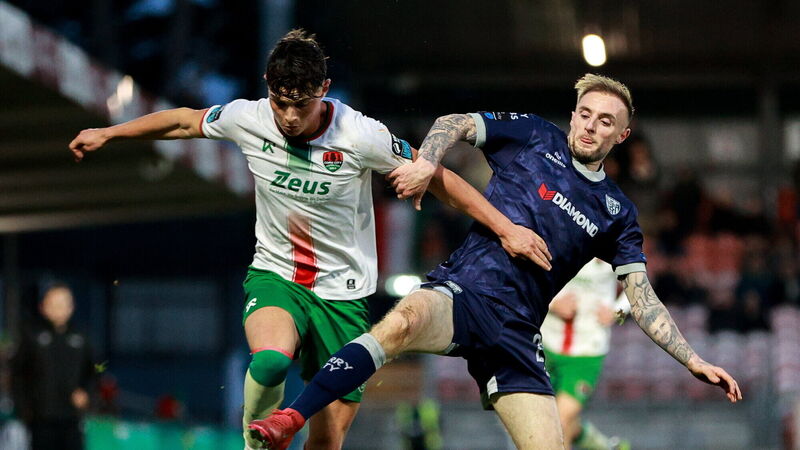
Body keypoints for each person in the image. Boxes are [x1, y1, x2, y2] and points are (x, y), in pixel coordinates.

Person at [68, 30, 549, 450]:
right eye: (280, 102)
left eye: (301, 104)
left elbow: (438, 176)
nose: (290, 116)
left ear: (325, 90)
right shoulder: (247, 117)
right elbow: (182, 120)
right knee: (272, 361)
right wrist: (109, 133)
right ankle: (253, 442)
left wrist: (507, 228)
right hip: (277, 275)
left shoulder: (362, 136)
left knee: (327, 439)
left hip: (345, 295)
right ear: (268, 90)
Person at [249, 74, 742, 450]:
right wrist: (427, 161)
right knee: (401, 322)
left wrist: (693, 360)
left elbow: (642, 297)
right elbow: (456, 124)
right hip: (465, 293)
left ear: (622, 134)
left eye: (605, 121)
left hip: (518, 333)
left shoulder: (617, 212)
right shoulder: (534, 136)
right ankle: (289, 418)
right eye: (585, 113)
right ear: (573, 115)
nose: (591, 125)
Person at [540, 258, 630, 449]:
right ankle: (604, 447)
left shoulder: (618, 242)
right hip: (547, 343)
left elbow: (638, 288)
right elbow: (530, 275)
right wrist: (552, 304)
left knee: (558, 423)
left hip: (587, 352)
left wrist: (617, 312)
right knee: (551, 419)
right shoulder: (560, 235)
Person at [10, 283, 96, 450]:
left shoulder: (81, 337)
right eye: (54, 304)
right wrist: (23, 408)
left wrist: (87, 393)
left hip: (72, 418)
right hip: (41, 418)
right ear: (43, 307)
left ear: (71, 307)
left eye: (64, 304)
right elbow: (17, 373)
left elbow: (98, 368)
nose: (59, 309)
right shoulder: (31, 335)